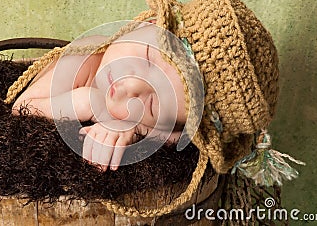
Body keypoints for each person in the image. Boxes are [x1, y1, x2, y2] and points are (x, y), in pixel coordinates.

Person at [12, 23, 187, 171]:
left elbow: (180, 136)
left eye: (152, 105)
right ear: (144, 23)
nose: (132, 84)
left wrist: (134, 129)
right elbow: (21, 107)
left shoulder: (172, 119)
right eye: (147, 59)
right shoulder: (83, 57)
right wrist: (89, 102)